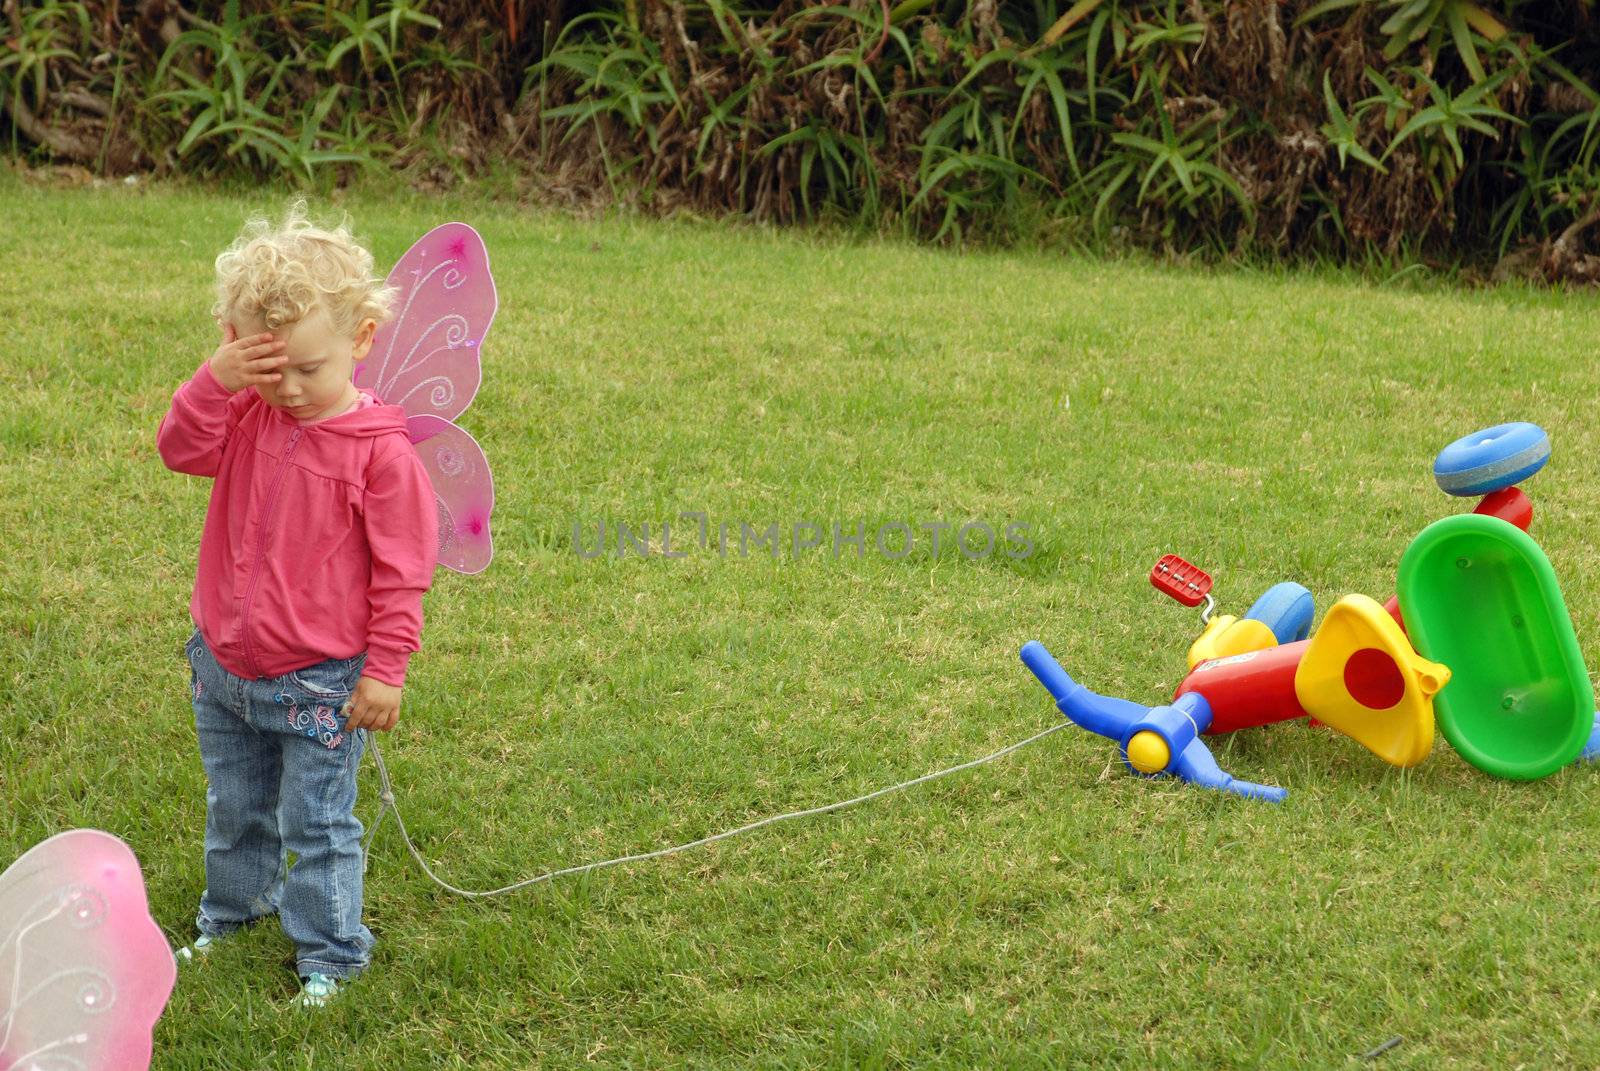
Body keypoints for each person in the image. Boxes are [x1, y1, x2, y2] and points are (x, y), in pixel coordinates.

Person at [156, 203, 438, 1007]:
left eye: (308, 369)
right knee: (237, 804)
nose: (287, 388)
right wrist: (218, 379)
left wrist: (386, 669)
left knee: (316, 822)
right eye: (266, 367)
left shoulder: (379, 454)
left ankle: (331, 952)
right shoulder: (244, 410)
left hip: (321, 680)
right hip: (225, 666)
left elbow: (403, 571)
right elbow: (180, 448)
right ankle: (234, 912)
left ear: (360, 341)